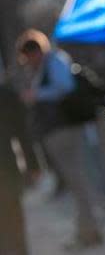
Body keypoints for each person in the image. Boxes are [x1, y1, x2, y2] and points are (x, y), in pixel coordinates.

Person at [16, 29, 103, 251]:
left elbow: (65, 87)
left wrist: (38, 95)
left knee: (77, 181)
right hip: (55, 130)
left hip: (63, 129)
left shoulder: (53, 62)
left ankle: (89, 231)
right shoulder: (44, 66)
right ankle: (87, 230)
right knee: (75, 182)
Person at [0, 80, 30, 255]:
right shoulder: (6, 94)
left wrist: (32, 163)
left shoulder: (6, 95)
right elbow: (22, 131)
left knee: (12, 216)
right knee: (13, 217)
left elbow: (22, 131)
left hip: (6, 167)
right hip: (7, 166)